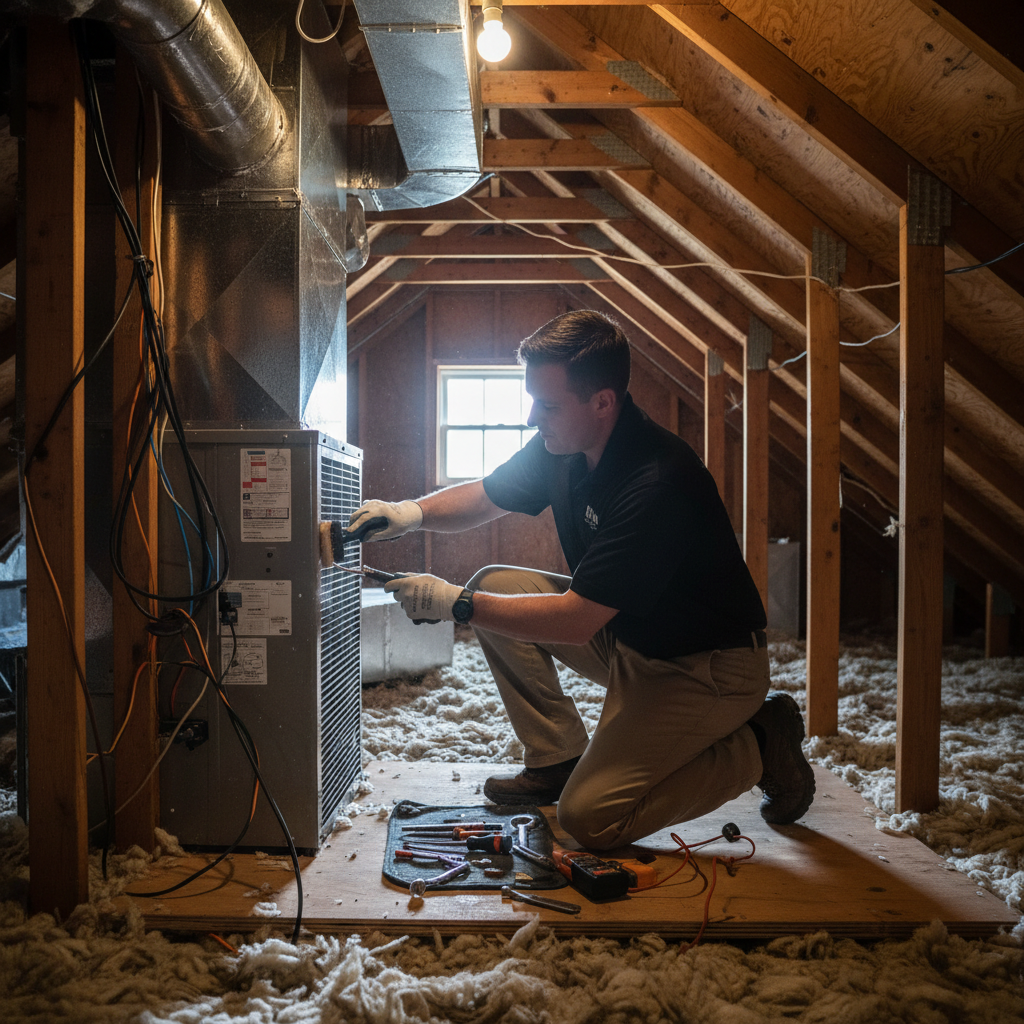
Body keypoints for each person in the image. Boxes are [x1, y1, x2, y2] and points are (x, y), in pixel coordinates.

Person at [349, 309, 814, 851]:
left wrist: (456, 605)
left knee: (590, 820)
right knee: (498, 582)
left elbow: (574, 621)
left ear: (602, 402)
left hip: (704, 667)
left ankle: (761, 741)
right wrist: (409, 513)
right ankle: (556, 759)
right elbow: (486, 494)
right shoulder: (564, 447)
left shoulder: (658, 481)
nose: (531, 418)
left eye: (546, 405)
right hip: (632, 634)